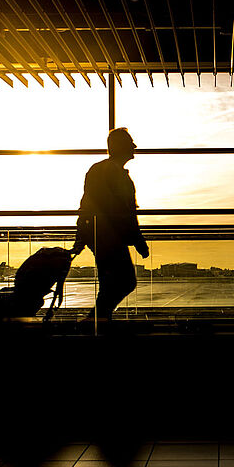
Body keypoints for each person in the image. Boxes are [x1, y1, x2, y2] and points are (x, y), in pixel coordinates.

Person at [70, 127, 149, 322]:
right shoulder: (115, 173)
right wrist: (138, 240)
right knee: (125, 281)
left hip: (101, 235)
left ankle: (98, 321)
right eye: (130, 142)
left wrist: (81, 237)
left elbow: (87, 205)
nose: (135, 146)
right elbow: (124, 211)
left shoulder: (100, 170)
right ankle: (96, 321)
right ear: (120, 146)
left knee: (111, 283)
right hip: (109, 237)